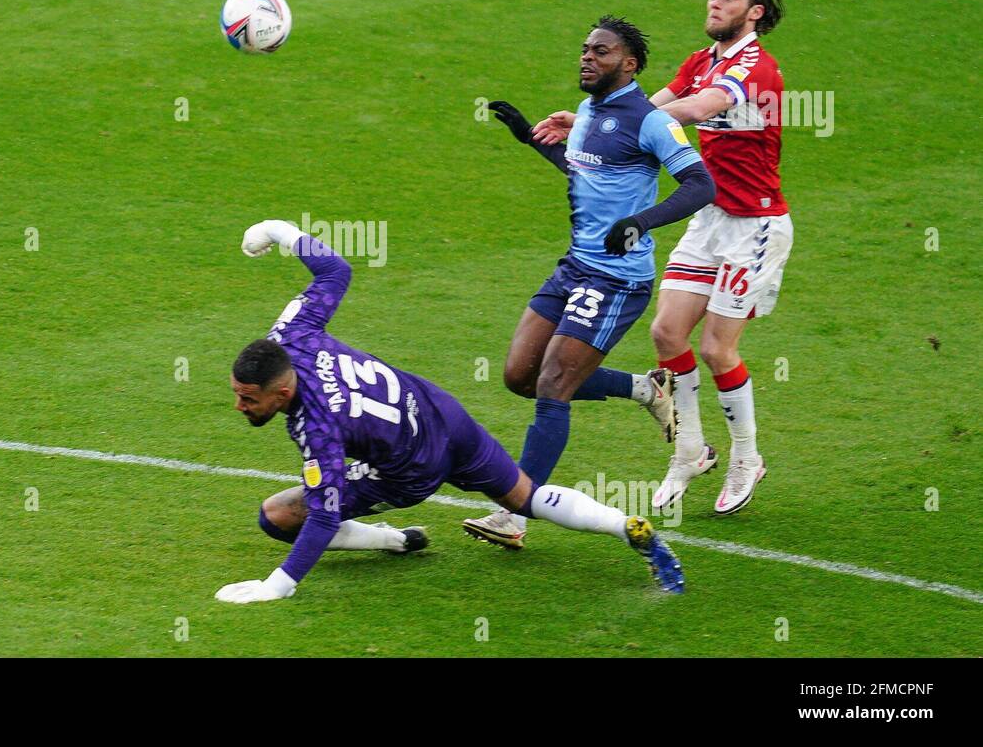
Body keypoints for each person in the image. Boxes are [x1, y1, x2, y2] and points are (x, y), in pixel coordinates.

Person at [214, 220, 685, 604]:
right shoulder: (291, 333)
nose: (239, 406)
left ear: (280, 393)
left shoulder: (317, 428)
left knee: (277, 516)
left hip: (409, 469)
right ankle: (622, 526)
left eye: (249, 399)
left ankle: (392, 540)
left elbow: (321, 515)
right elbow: (335, 271)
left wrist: (277, 585)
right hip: (441, 414)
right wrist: (277, 230)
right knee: (524, 496)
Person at [529, 0, 789, 515]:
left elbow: (698, 108)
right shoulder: (702, 60)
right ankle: (689, 451)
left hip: (755, 224)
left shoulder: (755, 67)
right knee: (668, 334)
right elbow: (648, 104)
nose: (714, 4)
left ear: (755, 11)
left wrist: (611, 124)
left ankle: (747, 456)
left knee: (718, 348)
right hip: (710, 217)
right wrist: (590, 120)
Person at [462, 15, 715, 549]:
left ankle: (515, 515)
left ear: (628, 64)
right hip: (575, 266)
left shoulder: (651, 121)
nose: (586, 58)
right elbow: (585, 172)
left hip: (618, 279)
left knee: (554, 383)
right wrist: (529, 137)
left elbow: (700, 184)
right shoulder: (587, 111)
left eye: (600, 52)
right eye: (584, 49)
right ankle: (644, 388)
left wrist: (641, 222)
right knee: (519, 375)